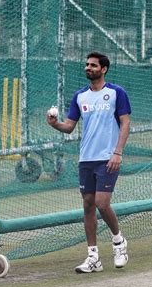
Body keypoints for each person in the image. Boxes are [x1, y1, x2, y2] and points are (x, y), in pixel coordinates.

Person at [46, 52, 131, 273]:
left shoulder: (116, 93)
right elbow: (69, 126)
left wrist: (117, 153)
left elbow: (125, 123)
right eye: (86, 64)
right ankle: (93, 257)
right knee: (87, 205)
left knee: (102, 204)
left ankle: (118, 242)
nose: (88, 67)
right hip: (86, 159)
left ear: (103, 69)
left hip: (108, 158)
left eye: (93, 65)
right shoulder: (80, 96)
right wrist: (55, 124)